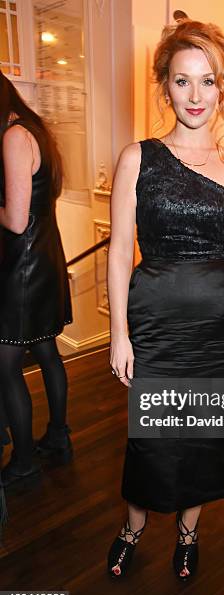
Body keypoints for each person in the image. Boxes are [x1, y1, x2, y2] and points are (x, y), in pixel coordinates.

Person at [107, 19, 224, 581]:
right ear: (165, 86)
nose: (195, 96)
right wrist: (120, 334)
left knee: (203, 439)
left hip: (221, 330)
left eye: (207, 81)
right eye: (182, 81)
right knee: (151, 441)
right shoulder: (138, 158)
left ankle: (189, 531)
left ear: (223, 86)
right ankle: (133, 526)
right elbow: (121, 249)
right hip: (156, 324)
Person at [0, 71, 73, 488]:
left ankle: (25, 462)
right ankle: (59, 438)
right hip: (45, 253)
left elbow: (14, 218)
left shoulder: (13, 137)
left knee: (6, 365)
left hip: (23, 264)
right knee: (46, 350)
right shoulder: (37, 131)